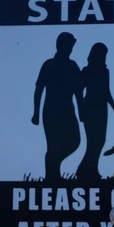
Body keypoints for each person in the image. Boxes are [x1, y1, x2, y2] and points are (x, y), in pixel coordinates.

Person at [32, 32, 82, 180]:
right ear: (62, 45)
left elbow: (78, 92)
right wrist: (35, 113)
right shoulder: (49, 65)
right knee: (53, 146)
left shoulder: (73, 66)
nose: (71, 48)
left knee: (74, 141)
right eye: (69, 45)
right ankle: (52, 177)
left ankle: (53, 169)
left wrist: (82, 112)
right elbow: (39, 89)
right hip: (51, 112)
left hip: (68, 111)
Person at [76, 42, 114, 180]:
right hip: (90, 107)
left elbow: (107, 92)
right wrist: (81, 111)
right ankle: (83, 171)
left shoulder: (105, 71)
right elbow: (78, 91)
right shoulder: (86, 70)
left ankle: (91, 170)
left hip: (102, 109)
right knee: (93, 142)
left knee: (100, 141)